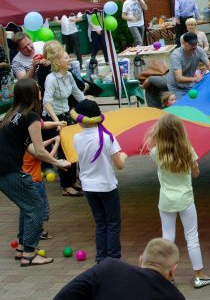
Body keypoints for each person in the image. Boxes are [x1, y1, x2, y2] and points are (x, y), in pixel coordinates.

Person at [0, 79, 70, 267]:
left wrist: (55, 125)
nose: (40, 93)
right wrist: (57, 162)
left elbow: (29, 147)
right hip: (7, 169)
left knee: (27, 205)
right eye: (38, 91)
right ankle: (30, 253)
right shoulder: (29, 116)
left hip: (4, 168)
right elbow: (39, 151)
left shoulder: (13, 114)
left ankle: (23, 247)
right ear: (33, 95)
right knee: (36, 207)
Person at [145, 114, 210, 289]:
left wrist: (156, 133)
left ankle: (165, 277)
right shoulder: (187, 150)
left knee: (167, 237)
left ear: (160, 132)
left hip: (166, 201)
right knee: (192, 237)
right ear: (180, 132)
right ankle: (199, 276)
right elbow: (195, 174)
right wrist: (194, 166)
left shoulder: (156, 152)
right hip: (185, 199)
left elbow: (152, 142)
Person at [72, 100, 127, 262]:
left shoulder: (76, 138)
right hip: (107, 186)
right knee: (113, 223)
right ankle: (113, 258)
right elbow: (120, 165)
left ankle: (101, 258)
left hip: (88, 187)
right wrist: (124, 155)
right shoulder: (107, 137)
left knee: (101, 223)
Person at [53, 238, 186, 300]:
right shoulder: (175, 297)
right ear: (172, 270)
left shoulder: (109, 267)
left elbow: (64, 297)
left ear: (141, 260)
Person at [42, 42, 85, 196]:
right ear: (58, 61)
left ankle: (73, 180)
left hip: (66, 116)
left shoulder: (68, 75)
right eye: (66, 58)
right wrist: (56, 121)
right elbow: (46, 102)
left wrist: (91, 106)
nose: (70, 60)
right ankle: (66, 186)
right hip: (54, 118)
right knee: (64, 152)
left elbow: (78, 94)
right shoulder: (51, 78)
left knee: (72, 148)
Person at [22, 135, 60, 240]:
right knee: (41, 208)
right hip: (35, 183)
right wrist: (56, 143)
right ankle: (38, 231)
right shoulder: (33, 152)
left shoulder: (22, 147)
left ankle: (29, 231)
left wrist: (52, 139)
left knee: (29, 208)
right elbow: (49, 158)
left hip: (25, 182)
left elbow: (39, 145)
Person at [166, 32, 210, 99]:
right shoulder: (176, 55)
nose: (194, 46)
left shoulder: (199, 50)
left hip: (189, 84)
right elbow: (179, 78)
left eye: (195, 43)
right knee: (182, 105)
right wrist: (194, 79)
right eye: (191, 44)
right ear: (184, 43)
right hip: (175, 86)